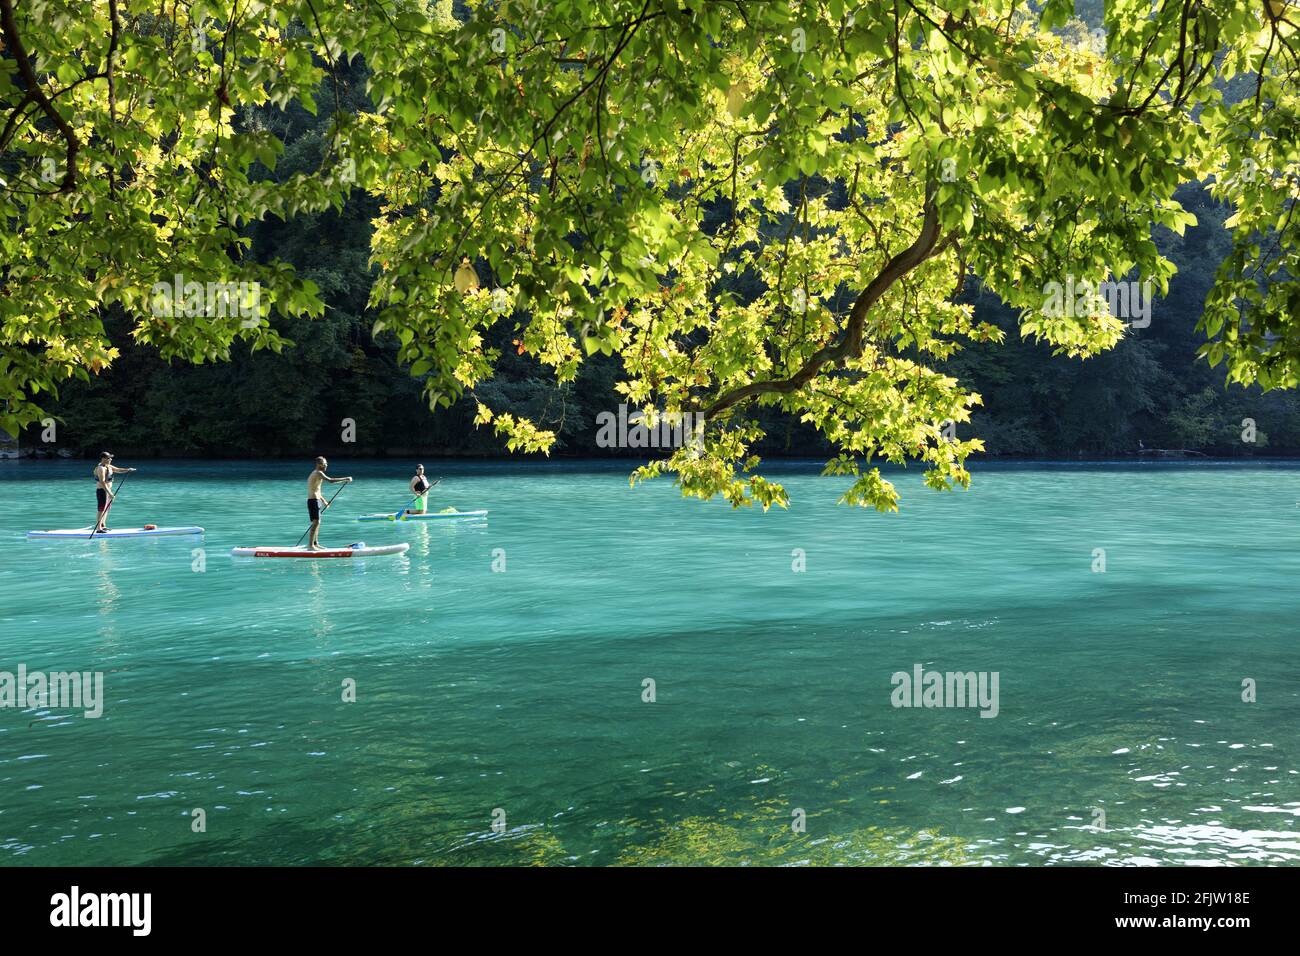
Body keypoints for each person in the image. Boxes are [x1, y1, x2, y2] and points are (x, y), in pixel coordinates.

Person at [306, 457, 352, 550]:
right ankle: (310, 546)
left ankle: (315, 544)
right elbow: (330, 480)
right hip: (313, 501)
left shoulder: (318, 474)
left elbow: (316, 490)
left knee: (318, 523)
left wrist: (324, 501)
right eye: (324, 463)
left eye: (326, 463)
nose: (326, 465)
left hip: (316, 500)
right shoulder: (318, 473)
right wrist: (345, 479)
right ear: (319, 464)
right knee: (315, 522)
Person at [93, 452, 136, 533]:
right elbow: (102, 482)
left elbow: (118, 470)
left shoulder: (108, 466)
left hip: (108, 491)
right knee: (101, 509)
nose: (110, 459)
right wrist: (110, 493)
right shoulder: (101, 468)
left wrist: (128, 470)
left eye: (110, 458)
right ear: (103, 459)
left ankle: (103, 526)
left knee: (106, 509)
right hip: (102, 491)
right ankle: (98, 529)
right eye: (109, 458)